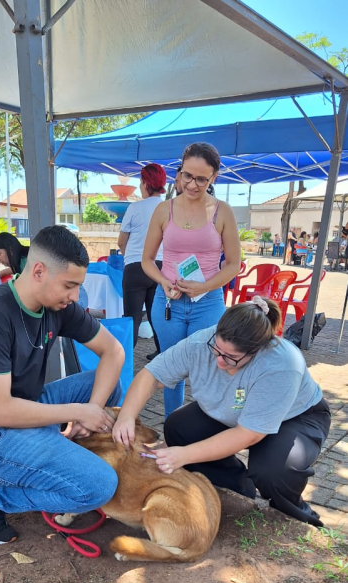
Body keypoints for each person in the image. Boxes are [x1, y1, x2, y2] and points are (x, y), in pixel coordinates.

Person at [113, 297, 331, 528]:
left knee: (275, 470)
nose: (218, 361)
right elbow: (151, 375)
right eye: (216, 349)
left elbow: (249, 434)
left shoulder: (281, 364)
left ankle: (294, 517)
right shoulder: (202, 341)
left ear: (255, 350)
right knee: (180, 426)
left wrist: (184, 455)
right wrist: (127, 416)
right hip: (233, 411)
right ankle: (238, 492)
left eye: (230, 358)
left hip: (294, 418)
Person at [0, 225, 125, 546]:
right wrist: (77, 411)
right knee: (99, 487)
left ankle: (52, 456)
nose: (75, 297)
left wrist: (92, 408)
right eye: (70, 285)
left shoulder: (58, 307)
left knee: (105, 389)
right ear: (39, 271)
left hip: (32, 404)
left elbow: (114, 352)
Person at [141, 141, 241, 417]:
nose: (193, 184)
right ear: (179, 173)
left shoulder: (223, 211)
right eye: (187, 175)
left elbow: (234, 263)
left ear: (214, 178)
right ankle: (174, 428)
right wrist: (162, 281)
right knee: (171, 369)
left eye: (201, 178)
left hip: (207, 304)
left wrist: (205, 286)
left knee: (209, 368)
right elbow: (147, 260)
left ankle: (207, 429)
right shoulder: (164, 210)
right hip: (168, 303)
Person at [118, 164, 166, 358]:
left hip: (135, 267)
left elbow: (122, 242)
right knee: (157, 317)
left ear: (146, 183)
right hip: (160, 267)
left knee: (132, 317)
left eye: (140, 182)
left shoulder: (134, 207)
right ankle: (162, 354)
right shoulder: (168, 208)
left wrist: (129, 257)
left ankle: (124, 358)